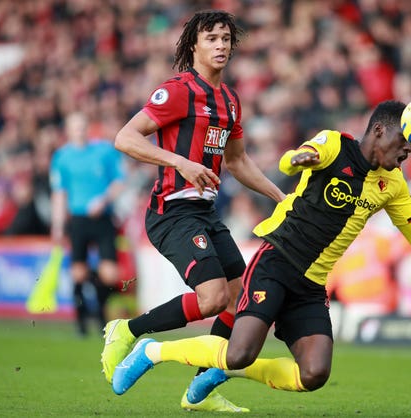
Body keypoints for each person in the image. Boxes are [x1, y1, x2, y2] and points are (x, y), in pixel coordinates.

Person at [109, 100, 411, 407]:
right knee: (239, 351)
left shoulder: (392, 185)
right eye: (403, 143)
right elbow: (291, 161)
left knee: (314, 374)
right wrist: (300, 158)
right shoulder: (332, 145)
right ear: (378, 131)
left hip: (311, 284)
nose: (407, 153)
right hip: (275, 261)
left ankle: (217, 371)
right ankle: (153, 351)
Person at [100, 9, 286, 412]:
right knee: (212, 297)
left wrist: (279, 196)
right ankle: (130, 330)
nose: (221, 45)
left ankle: (200, 390)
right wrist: (179, 162)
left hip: (205, 214)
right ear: (194, 46)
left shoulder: (231, 101)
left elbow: (237, 161)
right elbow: (125, 137)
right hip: (171, 212)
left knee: (239, 301)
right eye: (211, 39)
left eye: (225, 39)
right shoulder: (179, 90)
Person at [49, 111, 125, 336]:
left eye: (82, 126)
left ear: (87, 128)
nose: (80, 131)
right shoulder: (62, 157)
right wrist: (57, 224)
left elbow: (120, 182)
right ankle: (81, 322)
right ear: (68, 131)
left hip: (102, 218)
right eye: (75, 127)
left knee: (109, 274)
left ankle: (101, 314)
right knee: (78, 274)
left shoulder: (103, 151)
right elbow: (59, 193)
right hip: (78, 219)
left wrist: (103, 200)